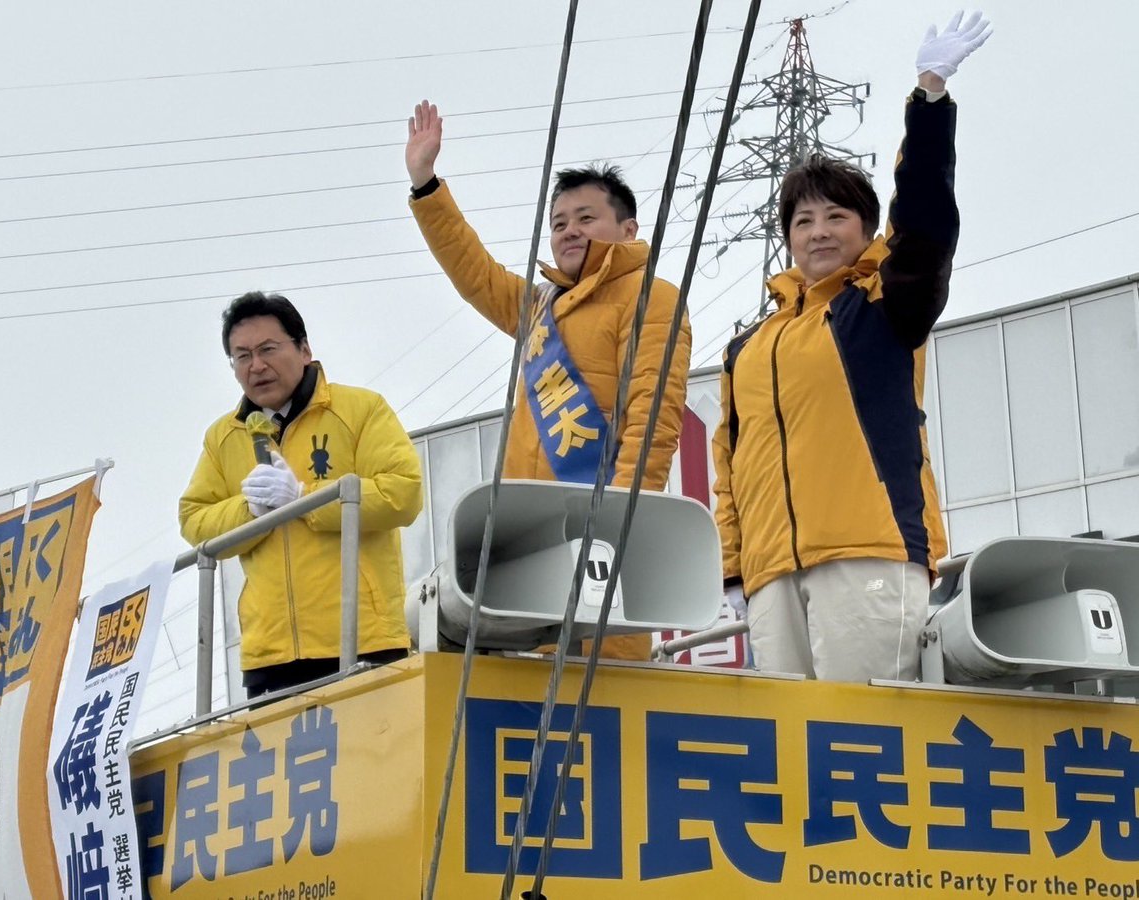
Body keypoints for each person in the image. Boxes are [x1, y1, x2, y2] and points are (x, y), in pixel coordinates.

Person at [711, 11, 991, 682]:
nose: (818, 231)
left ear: (866, 230)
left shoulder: (882, 305)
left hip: (868, 554)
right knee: (789, 740)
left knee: (866, 731)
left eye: (837, 216)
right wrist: (734, 568)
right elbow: (730, 463)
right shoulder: (748, 347)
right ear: (787, 238)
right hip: (772, 576)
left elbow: (923, 224)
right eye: (803, 220)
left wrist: (929, 100)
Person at [405, 101, 692, 661]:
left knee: (604, 686)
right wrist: (426, 185)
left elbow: (652, 420)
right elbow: (475, 272)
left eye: (586, 218)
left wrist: (620, 520)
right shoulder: (541, 307)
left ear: (628, 228)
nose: (569, 232)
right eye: (558, 223)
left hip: (599, 532)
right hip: (528, 538)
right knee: (523, 691)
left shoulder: (652, 297)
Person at [180, 291, 423, 697]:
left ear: (304, 349)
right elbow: (193, 520)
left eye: (268, 349)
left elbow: (404, 492)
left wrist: (305, 498)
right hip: (269, 657)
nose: (256, 366)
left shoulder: (360, 409)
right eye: (242, 356)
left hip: (364, 640)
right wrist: (249, 512)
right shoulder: (223, 437)